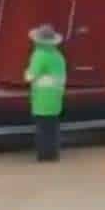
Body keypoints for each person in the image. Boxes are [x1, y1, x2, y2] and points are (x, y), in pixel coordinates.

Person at [25, 25, 67, 162]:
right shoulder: (58, 56)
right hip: (56, 97)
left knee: (42, 129)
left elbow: (30, 76)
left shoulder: (39, 55)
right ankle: (53, 155)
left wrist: (26, 74)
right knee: (52, 128)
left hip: (42, 98)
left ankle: (43, 156)